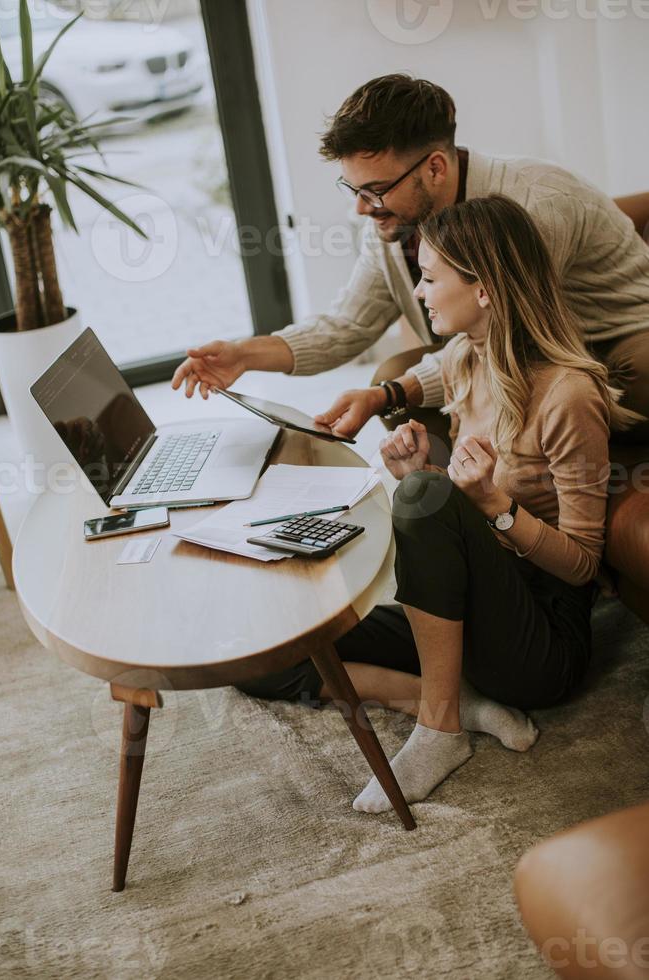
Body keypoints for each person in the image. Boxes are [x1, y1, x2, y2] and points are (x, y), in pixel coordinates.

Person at [234, 195, 642, 813]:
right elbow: (453, 528)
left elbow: (586, 566)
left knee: (428, 493)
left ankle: (440, 726)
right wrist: (417, 475)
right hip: (470, 611)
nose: (420, 294)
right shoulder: (460, 360)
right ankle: (458, 700)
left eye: (429, 278)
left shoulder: (568, 395)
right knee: (265, 653)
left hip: (541, 641)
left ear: (483, 290)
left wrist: (496, 505)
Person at [171, 74, 649, 443]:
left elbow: (511, 343)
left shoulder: (531, 206)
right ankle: (459, 507)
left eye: (374, 190)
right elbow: (349, 325)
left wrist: (388, 394)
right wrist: (245, 355)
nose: (360, 207)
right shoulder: (394, 223)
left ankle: (496, 512)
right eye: (354, 189)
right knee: (391, 376)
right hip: (517, 344)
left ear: (435, 167)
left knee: (405, 385)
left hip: (615, 336)